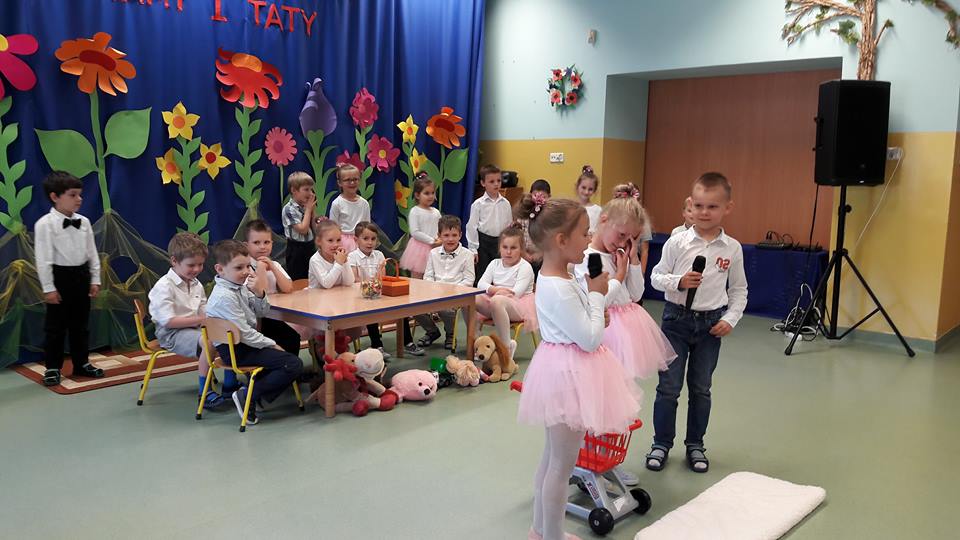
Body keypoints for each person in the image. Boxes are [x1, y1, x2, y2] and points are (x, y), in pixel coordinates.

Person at [517, 197, 641, 540]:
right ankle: (551, 536)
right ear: (561, 240)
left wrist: (604, 292)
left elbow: (586, 313)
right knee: (561, 466)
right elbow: (589, 338)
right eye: (584, 233)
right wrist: (598, 300)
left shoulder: (561, 276)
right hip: (570, 375)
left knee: (551, 459)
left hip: (561, 369)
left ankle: (540, 530)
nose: (589, 239)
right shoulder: (559, 285)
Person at [647, 172, 748, 474]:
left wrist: (730, 319)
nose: (705, 213)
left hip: (710, 326)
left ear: (727, 208)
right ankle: (661, 443)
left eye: (712, 207)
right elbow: (656, 276)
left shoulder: (732, 248)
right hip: (675, 322)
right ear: (690, 204)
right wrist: (678, 281)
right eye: (700, 206)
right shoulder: (677, 243)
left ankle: (695, 445)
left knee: (701, 389)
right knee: (668, 387)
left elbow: (739, 290)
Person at [205, 240, 304, 425]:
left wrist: (259, 293)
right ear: (220, 269)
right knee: (292, 364)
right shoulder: (225, 297)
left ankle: (255, 395)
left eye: (247, 266)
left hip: (242, 344)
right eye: (239, 267)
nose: (245, 272)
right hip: (236, 349)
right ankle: (248, 395)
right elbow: (245, 334)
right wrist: (272, 345)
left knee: (289, 342)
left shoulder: (239, 287)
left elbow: (262, 312)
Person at [149, 232, 238, 407]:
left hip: (195, 328)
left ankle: (230, 385)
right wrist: (200, 320)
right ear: (174, 261)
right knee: (209, 341)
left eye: (200, 264)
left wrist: (216, 319)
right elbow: (168, 321)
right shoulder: (164, 286)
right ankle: (205, 392)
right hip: (171, 334)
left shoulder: (196, 283)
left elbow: (204, 309)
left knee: (227, 334)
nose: (196, 269)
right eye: (191, 265)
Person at [35, 171, 104, 386]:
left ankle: (81, 363)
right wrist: (49, 288)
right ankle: (52, 367)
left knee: (80, 325)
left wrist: (95, 279)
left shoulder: (84, 222)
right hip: (59, 277)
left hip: (81, 275)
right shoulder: (45, 224)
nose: (79, 199)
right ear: (55, 197)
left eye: (80, 195)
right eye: (73, 195)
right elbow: (43, 259)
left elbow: (92, 253)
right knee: (55, 327)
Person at [348, 221, 420, 358]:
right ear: (356, 240)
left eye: (373, 239)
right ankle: (377, 345)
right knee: (370, 311)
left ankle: (408, 342)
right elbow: (355, 279)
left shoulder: (379, 255)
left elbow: (383, 276)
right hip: (361, 296)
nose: (370, 242)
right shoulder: (352, 256)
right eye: (365, 238)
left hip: (378, 292)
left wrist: (376, 284)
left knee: (400, 308)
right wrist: (371, 284)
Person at [413, 215, 476, 351]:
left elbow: (469, 280)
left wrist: (451, 291)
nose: (450, 239)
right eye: (446, 235)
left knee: (446, 309)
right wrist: (435, 290)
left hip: (456, 294)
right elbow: (428, 276)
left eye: (454, 235)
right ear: (439, 235)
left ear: (460, 235)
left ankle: (451, 334)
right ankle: (432, 331)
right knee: (412, 307)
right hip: (434, 292)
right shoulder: (433, 253)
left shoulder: (467, 255)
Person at [475, 227, 537, 360]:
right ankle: (476, 340)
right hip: (496, 301)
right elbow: (481, 284)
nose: (508, 252)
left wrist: (495, 293)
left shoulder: (525, 267)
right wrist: (495, 290)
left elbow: (516, 293)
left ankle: (506, 346)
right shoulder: (494, 263)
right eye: (505, 247)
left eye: (513, 248)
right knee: (469, 298)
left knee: (497, 301)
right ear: (499, 248)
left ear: (521, 249)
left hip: (518, 306)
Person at [244, 219, 302, 356]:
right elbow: (261, 292)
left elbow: (288, 288)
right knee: (288, 339)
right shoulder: (245, 268)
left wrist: (273, 268)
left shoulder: (274, 264)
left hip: (274, 314)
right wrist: (261, 268)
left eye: (266, 242)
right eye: (256, 243)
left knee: (293, 338)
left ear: (272, 244)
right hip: (256, 318)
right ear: (246, 246)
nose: (262, 247)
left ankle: (289, 366)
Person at [466, 163, 512, 285]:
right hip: (483, 243)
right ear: (483, 183)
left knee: (499, 272)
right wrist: (473, 249)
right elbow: (471, 227)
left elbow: (508, 225)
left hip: (500, 242)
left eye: (498, 181)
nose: (496, 184)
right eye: (492, 181)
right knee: (483, 272)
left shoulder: (506, 203)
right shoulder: (478, 204)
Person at [399, 172, 441, 278]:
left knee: (433, 276)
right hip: (419, 249)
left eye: (432, 193)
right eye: (426, 193)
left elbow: (441, 228)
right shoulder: (415, 211)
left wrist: (440, 240)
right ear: (417, 195)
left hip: (435, 247)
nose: (431, 196)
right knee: (417, 277)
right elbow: (415, 232)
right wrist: (432, 241)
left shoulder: (436, 212)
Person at [281, 171, 316, 280]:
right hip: (296, 249)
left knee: (311, 277)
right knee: (299, 279)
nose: (310, 193)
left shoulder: (306, 207)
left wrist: (313, 213)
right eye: (306, 189)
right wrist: (308, 210)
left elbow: (314, 228)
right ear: (294, 190)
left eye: (311, 190)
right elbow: (303, 230)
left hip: (309, 246)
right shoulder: (289, 209)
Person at [328, 164, 370, 254]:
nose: (352, 183)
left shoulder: (364, 203)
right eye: (347, 180)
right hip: (343, 243)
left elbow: (367, 226)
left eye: (355, 179)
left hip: (361, 241)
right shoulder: (337, 203)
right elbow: (333, 227)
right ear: (339, 183)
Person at [515, 179, 551, 277]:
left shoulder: (549, 216)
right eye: (535, 195)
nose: (538, 199)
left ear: (549, 197)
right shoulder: (524, 214)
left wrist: (540, 254)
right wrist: (524, 253)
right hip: (524, 255)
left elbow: (550, 239)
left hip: (542, 257)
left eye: (544, 197)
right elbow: (518, 235)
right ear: (530, 195)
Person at [575, 165, 601, 235]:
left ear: (594, 190)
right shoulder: (571, 207)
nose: (586, 192)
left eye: (590, 189)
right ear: (577, 186)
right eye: (583, 188)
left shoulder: (598, 210)